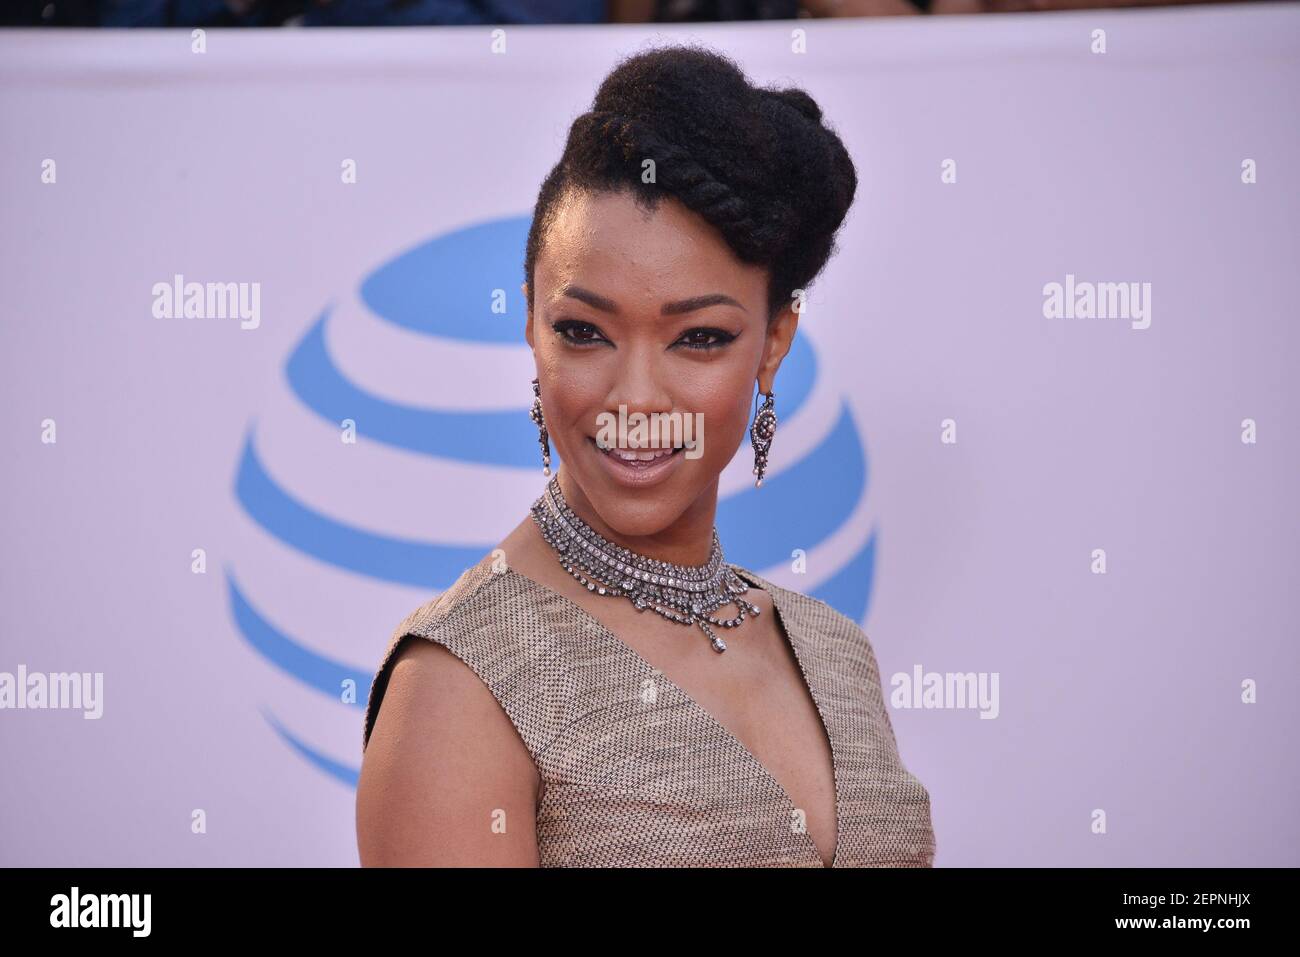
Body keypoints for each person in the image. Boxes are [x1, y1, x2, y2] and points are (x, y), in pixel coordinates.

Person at [356, 44, 935, 867]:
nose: (635, 401)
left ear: (774, 342)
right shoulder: (460, 685)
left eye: (698, 338)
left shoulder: (837, 654)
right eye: (584, 331)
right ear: (530, 323)